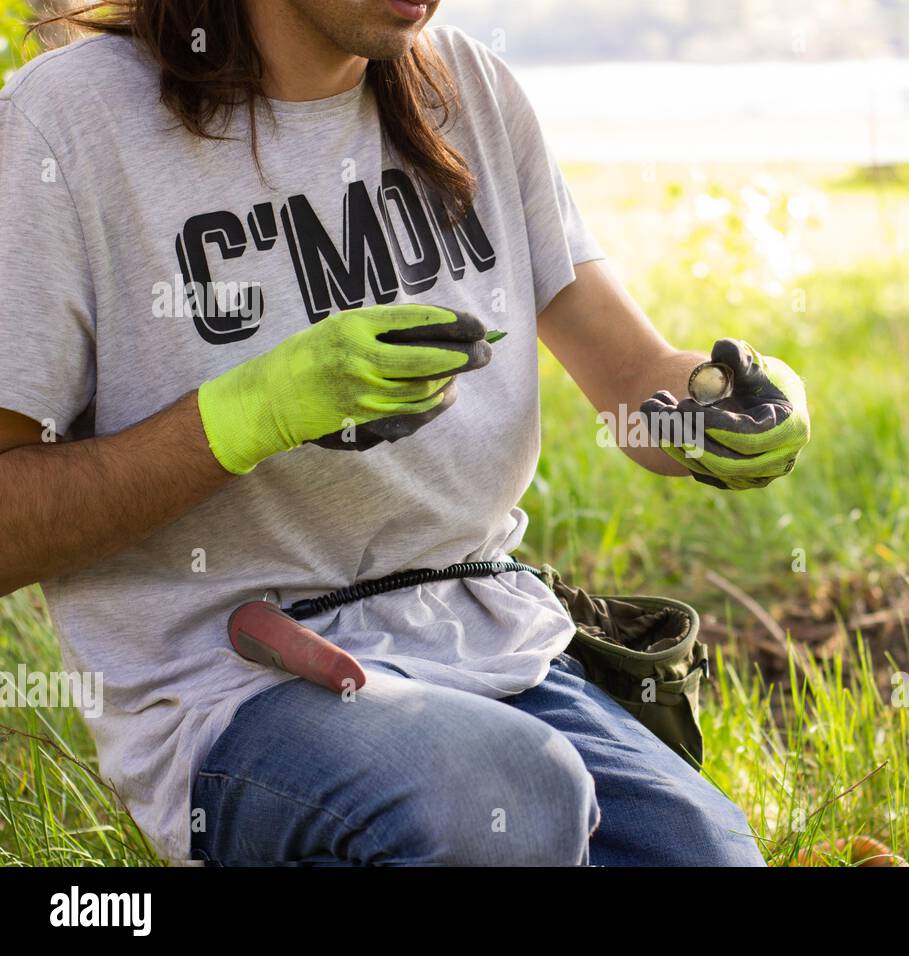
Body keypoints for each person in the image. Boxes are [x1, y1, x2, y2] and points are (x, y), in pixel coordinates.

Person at [0, 0, 809, 865]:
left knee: (701, 852)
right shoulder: (65, 124)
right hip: (237, 683)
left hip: (486, 638)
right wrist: (254, 413)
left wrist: (725, 401)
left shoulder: (470, 87)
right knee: (508, 797)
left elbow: (631, 382)